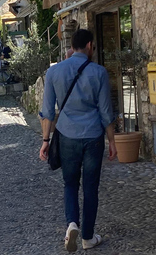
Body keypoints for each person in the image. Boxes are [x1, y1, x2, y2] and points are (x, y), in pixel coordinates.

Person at [39, 29, 116, 252]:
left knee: (70, 183)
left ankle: (72, 223)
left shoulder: (53, 73)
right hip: (92, 136)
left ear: (71, 46)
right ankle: (88, 238)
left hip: (67, 136)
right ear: (90, 45)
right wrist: (112, 141)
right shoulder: (99, 72)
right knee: (91, 187)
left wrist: (45, 140)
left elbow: (47, 112)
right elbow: (105, 111)